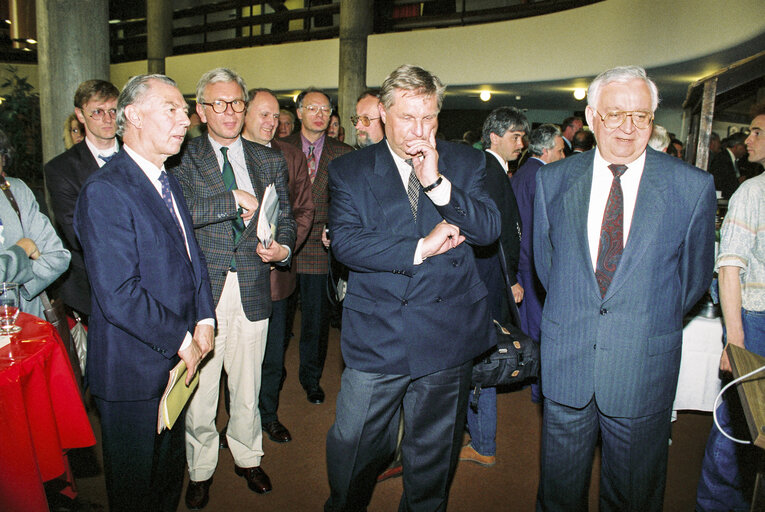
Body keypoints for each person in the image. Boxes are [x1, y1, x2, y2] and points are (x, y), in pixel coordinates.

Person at [534, 65, 716, 511]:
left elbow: (691, 283)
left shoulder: (691, 187)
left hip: (642, 368)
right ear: (592, 116)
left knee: (633, 497)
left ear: (653, 120)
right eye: (615, 114)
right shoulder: (553, 180)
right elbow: (547, 267)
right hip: (568, 362)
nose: (628, 128)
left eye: (641, 116)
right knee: (558, 495)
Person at [325, 64, 500, 511]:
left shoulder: (466, 161)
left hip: (446, 334)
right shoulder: (350, 169)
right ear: (383, 113)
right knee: (354, 442)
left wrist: (437, 186)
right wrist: (420, 246)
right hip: (378, 333)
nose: (419, 130)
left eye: (429, 118)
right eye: (407, 118)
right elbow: (346, 241)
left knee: (432, 457)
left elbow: (488, 229)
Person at [74, 74, 215, 512]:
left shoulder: (165, 178)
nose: (185, 118)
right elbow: (119, 294)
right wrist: (184, 339)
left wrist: (206, 318)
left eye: (184, 109)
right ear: (131, 116)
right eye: (170, 109)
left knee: (166, 481)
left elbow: (193, 258)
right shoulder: (106, 190)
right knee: (136, 489)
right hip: (132, 370)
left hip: (175, 363)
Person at [172, 69, 296, 508]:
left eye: (237, 103)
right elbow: (180, 212)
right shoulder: (181, 157)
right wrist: (234, 200)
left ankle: (247, 456)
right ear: (202, 111)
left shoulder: (269, 159)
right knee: (201, 388)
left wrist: (282, 248)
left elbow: (287, 221)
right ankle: (201, 467)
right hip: (203, 291)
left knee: (248, 384)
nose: (230, 112)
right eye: (219, 104)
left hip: (253, 285)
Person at [696, 104, 765, 512]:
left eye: (756, 132)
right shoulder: (751, 192)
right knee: (739, 425)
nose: (747, 141)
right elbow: (729, 269)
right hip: (754, 322)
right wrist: (735, 340)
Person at [243, 87, 315, 445]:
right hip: (231, 280)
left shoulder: (291, 156)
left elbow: (304, 209)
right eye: (263, 114)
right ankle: (236, 423)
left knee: (273, 356)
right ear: (243, 114)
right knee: (233, 361)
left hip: (276, 278)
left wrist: (285, 248)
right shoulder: (224, 158)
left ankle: (267, 416)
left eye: (276, 116)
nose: (271, 122)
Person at [460, 106, 526, 468]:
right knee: (484, 359)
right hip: (488, 280)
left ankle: (482, 440)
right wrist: (511, 277)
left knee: (482, 358)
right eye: (515, 136)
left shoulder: (492, 171)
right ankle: (483, 442)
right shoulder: (489, 172)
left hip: (489, 279)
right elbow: (501, 236)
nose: (521, 143)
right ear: (494, 137)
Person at [281, 88, 352, 405]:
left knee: (315, 321)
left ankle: (311, 378)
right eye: (313, 108)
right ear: (299, 113)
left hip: (320, 249)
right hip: (282, 246)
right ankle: (274, 376)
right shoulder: (278, 148)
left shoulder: (344, 153)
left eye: (326, 109)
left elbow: (348, 203)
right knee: (278, 323)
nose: (320, 114)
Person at [45, 79, 120, 321]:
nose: (108, 119)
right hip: (92, 291)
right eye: (97, 112)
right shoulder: (61, 169)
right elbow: (78, 233)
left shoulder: (142, 155)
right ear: (80, 114)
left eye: (113, 111)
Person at [511, 123, 566, 404]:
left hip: (523, 260)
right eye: (559, 150)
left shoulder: (524, 173)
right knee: (539, 328)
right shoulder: (542, 175)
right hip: (533, 262)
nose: (562, 156)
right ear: (545, 150)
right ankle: (539, 389)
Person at [0, 128, 70, 318]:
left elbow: (57, 255)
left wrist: (17, 289)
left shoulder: (16, 191)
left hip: (26, 325)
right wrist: (21, 252)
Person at [710, 132, 747, 199]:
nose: (746, 151)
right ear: (737, 146)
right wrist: (737, 182)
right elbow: (720, 183)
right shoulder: (722, 159)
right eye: (745, 147)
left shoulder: (734, 160)